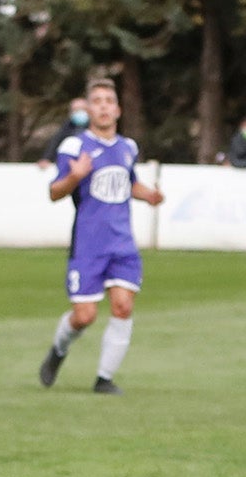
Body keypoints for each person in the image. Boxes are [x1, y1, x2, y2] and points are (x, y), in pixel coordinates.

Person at [37, 77, 164, 396]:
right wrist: (75, 176)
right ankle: (58, 351)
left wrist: (147, 194)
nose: (104, 106)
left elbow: (126, 183)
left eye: (109, 100)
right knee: (85, 316)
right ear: (89, 109)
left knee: (123, 307)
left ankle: (104, 379)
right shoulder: (74, 146)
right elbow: (55, 192)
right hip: (88, 245)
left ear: (118, 109)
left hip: (122, 244)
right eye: (98, 101)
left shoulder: (128, 147)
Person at [36, 97, 90, 168]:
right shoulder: (67, 127)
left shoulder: (96, 127)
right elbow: (55, 142)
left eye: (82, 109)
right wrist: (46, 158)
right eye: (76, 110)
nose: (79, 112)